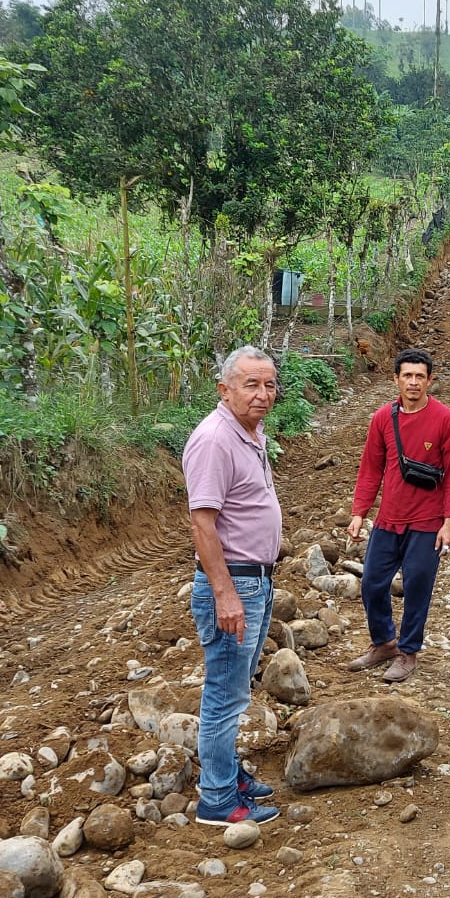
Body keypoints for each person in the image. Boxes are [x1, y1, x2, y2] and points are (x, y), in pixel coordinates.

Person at [182, 346, 284, 827]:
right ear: (224, 390)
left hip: (254, 580)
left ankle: (225, 772)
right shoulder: (214, 439)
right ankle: (218, 798)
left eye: (269, 384)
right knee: (224, 693)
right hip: (234, 584)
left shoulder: (251, 433)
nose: (263, 394)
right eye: (251, 385)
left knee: (236, 688)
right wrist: (224, 594)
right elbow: (202, 523)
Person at [345, 348, 450, 683]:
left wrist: (449, 523)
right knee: (371, 583)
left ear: (430, 380)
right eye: (407, 376)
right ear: (396, 379)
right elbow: (371, 469)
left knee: (417, 589)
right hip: (388, 520)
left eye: (419, 376)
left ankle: (408, 651)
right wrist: (359, 513)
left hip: (427, 523)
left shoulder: (446, 420)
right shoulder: (383, 418)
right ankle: (384, 642)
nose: (413, 382)